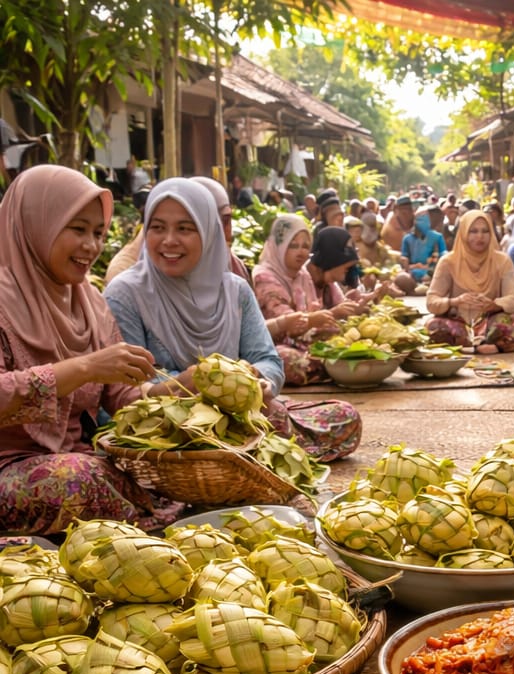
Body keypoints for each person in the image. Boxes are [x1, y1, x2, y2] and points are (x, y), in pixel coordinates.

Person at [104, 178, 361, 462]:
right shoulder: (125, 293)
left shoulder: (235, 289)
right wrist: (190, 385)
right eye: (157, 227)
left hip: (242, 415)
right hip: (169, 430)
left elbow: (268, 359)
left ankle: (245, 461)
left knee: (343, 417)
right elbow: (128, 391)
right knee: (248, 428)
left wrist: (261, 381)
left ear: (208, 232)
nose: (169, 241)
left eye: (185, 228)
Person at [0, 165, 177, 534]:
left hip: (81, 461)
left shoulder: (89, 303)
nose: (91, 246)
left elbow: (121, 395)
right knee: (77, 480)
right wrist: (82, 368)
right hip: (14, 469)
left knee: (167, 467)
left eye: (99, 233)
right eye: (77, 229)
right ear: (36, 224)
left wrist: (180, 393)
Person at [252, 214, 354, 385]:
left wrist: (317, 319)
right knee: (286, 359)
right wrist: (312, 319)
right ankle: (336, 367)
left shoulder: (302, 274)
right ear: (279, 246)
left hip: (304, 340)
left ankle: (336, 366)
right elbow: (284, 324)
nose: (301, 252)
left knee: (341, 336)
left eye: (306, 246)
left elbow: (311, 313)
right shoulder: (264, 276)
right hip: (273, 344)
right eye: (293, 246)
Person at [424, 210, 514, 356]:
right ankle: (482, 346)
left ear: (491, 233)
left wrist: (494, 304)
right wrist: (456, 301)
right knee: (433, 326)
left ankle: (476, 345)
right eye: (473, 231)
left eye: (485, 231)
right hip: (458, 322)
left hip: (492, 323)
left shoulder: (502, 261)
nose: (480, 236)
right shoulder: (448, 262)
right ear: (463, 233)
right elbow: (431, 301)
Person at [400, 207, 446, 286]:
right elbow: (404, 258)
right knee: (402, 278)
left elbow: (443, 255)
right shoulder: (407, 239)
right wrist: (413, 266)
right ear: (414, 221)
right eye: (420, 218)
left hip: (432, 271)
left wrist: (430, 268)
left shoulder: (437, 237)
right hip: (413, 271)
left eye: (425, 218)